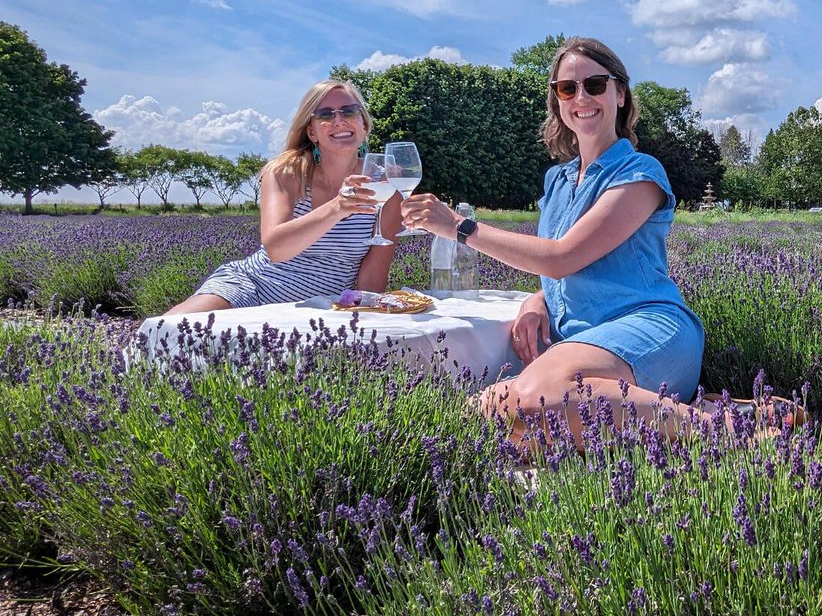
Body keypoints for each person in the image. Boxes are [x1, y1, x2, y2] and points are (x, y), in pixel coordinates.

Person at [401, 37, 712, 449]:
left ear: (620, 94)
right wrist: (538, 301)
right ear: (557, 101)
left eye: (595, 85)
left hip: (649, 331)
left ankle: (725, 430)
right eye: (567, 88)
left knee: (534, 398)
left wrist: (459, 226)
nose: (581, 96)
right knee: (485, 414)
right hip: (581, 347)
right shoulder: (557, 181)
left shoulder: (640, 172)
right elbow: (571, 270)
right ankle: (701, 413)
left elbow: (563, 258)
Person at [166, 79, 402, 315]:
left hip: (323, 308)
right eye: (325, 115)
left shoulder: (387, 189)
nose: (339, 120)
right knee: (168, 330)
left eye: (349, 111)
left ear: (363, 124)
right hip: (253, 287)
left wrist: (356, 325)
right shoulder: (286, 173)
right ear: (312, 131)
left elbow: (372, 279)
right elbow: (276, 250)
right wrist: (337, 207)